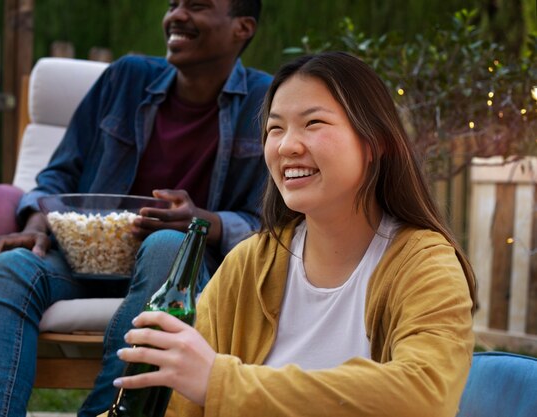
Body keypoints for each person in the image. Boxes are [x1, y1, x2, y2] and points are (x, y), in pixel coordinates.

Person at [109, 52, 477, 417]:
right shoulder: (250, 264)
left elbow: (426, 395)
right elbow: (174, 406)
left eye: (313, 123)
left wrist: (220, 382)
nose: (287, 146)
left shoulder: (424, 263)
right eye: (275, 128)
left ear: (375, 142)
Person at [0, 1, 271, 416]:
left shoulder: (264, 103)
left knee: (169, 243)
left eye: (196, 6)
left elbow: (268, 224)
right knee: (11, 267)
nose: (176, 16)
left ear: (242, 27)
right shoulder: (126, 78)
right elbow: (58, 173)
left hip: (183, 277)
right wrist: (37, 222)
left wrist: (201, 221)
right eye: (172, 4)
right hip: (85, 262)